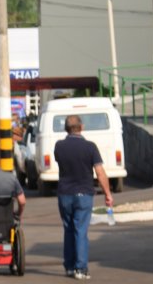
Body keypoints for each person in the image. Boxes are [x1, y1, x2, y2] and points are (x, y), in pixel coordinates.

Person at [54, 115, 113, 280]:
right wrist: (108, 194)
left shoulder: (59, 146)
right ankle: (81, 268)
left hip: (65, 193)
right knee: (81, 230)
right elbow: (100, 173)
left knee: (68, 229)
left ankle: (69, 266)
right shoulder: (90, 147)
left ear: (66, 128)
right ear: (82, 127)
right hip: (84, 193)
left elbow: (61, 162)